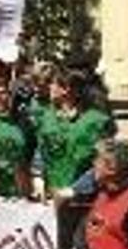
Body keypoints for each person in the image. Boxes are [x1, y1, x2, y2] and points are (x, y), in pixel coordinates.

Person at [32, 68, 113, 199]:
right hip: (50, 197)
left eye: (53, 84)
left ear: (66, 89)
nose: (49, 87)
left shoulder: (96, 121)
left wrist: (76, 189)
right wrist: (38, 176)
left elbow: (104, 162)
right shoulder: (47, 117)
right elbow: (41, 149)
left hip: (83, 199)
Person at [0, 79, 33, 197]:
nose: (3, 97)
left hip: (21, 186)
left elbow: (30, 152)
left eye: (7, 93)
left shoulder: (22, 121)